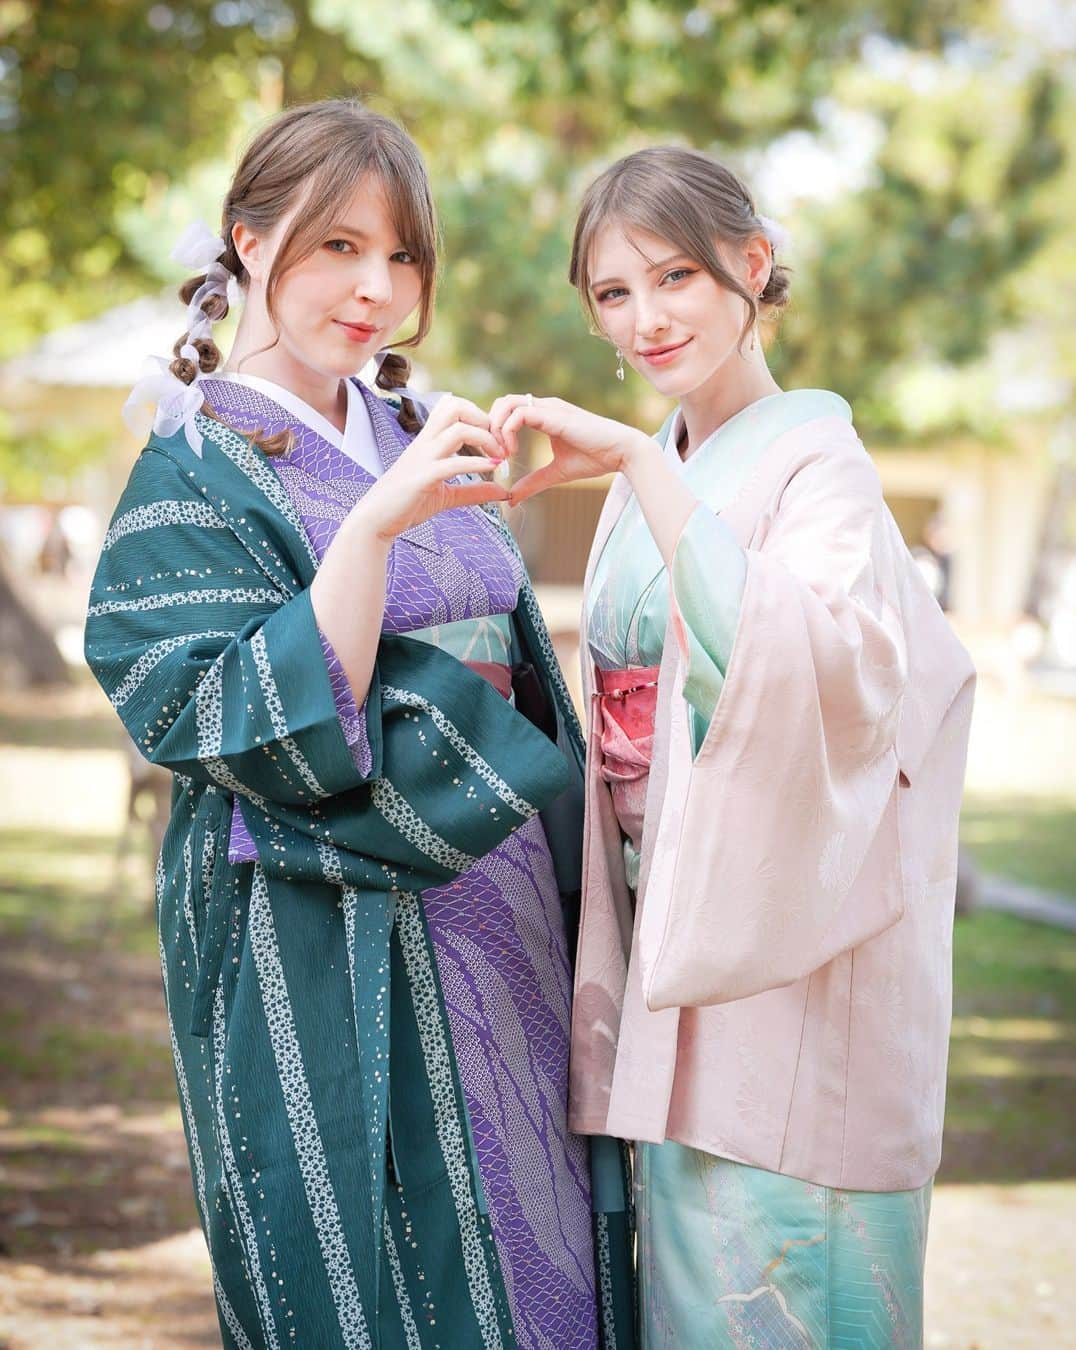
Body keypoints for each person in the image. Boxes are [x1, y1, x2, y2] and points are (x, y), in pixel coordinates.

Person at [85, 99, 632, 1350]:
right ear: (250, 242)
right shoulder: (199, 454)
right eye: (337, 246)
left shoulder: (418, 425)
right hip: (316, 916)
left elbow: (511, 650)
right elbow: (197, 695)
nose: (374, 287)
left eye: (400, 256)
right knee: (365, 1251)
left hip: (499, 893)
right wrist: (376, 528)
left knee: (531, 1229)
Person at [491, 146, 976, 1347]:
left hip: (791, 928)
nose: (644, 319)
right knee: (693, 1279)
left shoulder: (822, 467)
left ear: (751, 268)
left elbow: (825, 675)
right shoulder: (659, 467)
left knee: (781, 1262)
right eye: (611, 292)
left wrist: (645, 464)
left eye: (675, 277)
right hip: (679, 921)